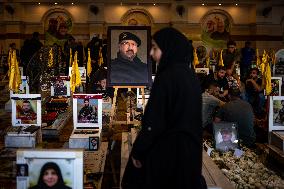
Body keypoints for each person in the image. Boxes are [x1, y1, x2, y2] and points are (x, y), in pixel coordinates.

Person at [122, 27, 206, 189]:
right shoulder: (191, 76)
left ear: (168, 49)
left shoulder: (167, 77)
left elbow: (155, 120)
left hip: (168, 153)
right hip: (189, 153)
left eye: (155, 48)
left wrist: (138, 151)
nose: (152, 54)